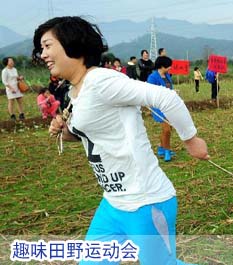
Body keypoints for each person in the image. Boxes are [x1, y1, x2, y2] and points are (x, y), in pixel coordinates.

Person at [35, 16, 208, 265]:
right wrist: (64, 131)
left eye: (48, 46)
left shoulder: (102, 81)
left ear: (73, 44)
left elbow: (166, 99)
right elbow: (90, 133)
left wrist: (191, 140)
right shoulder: (75, 91)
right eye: (41, 48)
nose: (43, 54)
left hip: (147, 203)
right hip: (113, 204)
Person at [147, 56, 175, 162]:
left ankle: (161, 148)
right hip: (158, 107)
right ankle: (167, 151)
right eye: (168, 66)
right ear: (162, 66)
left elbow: (169, 88)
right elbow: (150, 93)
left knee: (168, 129)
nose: (170, 68)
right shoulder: (153, 77)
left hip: (169, 105)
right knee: (167, 129)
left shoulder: (167, 76)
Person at [2, 57, 25, 121]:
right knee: (11, 102)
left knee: (20, 101)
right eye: (10, 61)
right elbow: (4, 81)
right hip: (10, 88)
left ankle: (21, 114)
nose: (12, 62)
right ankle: (12, 115)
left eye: (12, 61)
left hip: (17, 87)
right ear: (7, 62)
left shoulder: (14, 69)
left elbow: (16, 77)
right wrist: (11, 88)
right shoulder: (5, 71)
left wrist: (20, 78)